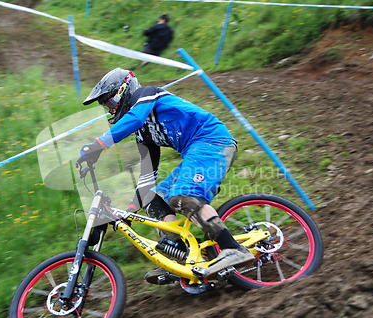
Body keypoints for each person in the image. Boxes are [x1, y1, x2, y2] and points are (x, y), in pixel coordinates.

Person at [79, 68, 254, 283]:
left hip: (212, 142)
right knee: (152, 199)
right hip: (196, 151)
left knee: (183, 196)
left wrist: (98, 145)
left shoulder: (147, 95)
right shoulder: (143, 132)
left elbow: (133, 118)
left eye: (109, 102)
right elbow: (146, 177)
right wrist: (130, 212)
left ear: (123, 90)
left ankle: (232, 248)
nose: (109, 109)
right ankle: (181, 257)